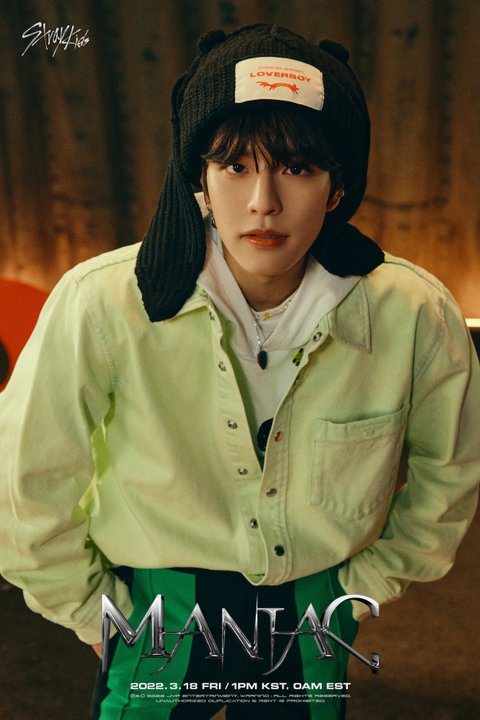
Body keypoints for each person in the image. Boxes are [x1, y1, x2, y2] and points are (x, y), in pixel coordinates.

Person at [0, 24, 479, 720]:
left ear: (338, 187)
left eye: (298, 168)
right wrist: (93, 611)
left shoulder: (412, 312)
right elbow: (26, 483)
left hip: (312, 600)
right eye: (233, 166)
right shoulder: (100, 302)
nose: (263, 201)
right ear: (198, 178)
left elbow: (451, 473)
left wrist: (364, 588)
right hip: (159, 604)